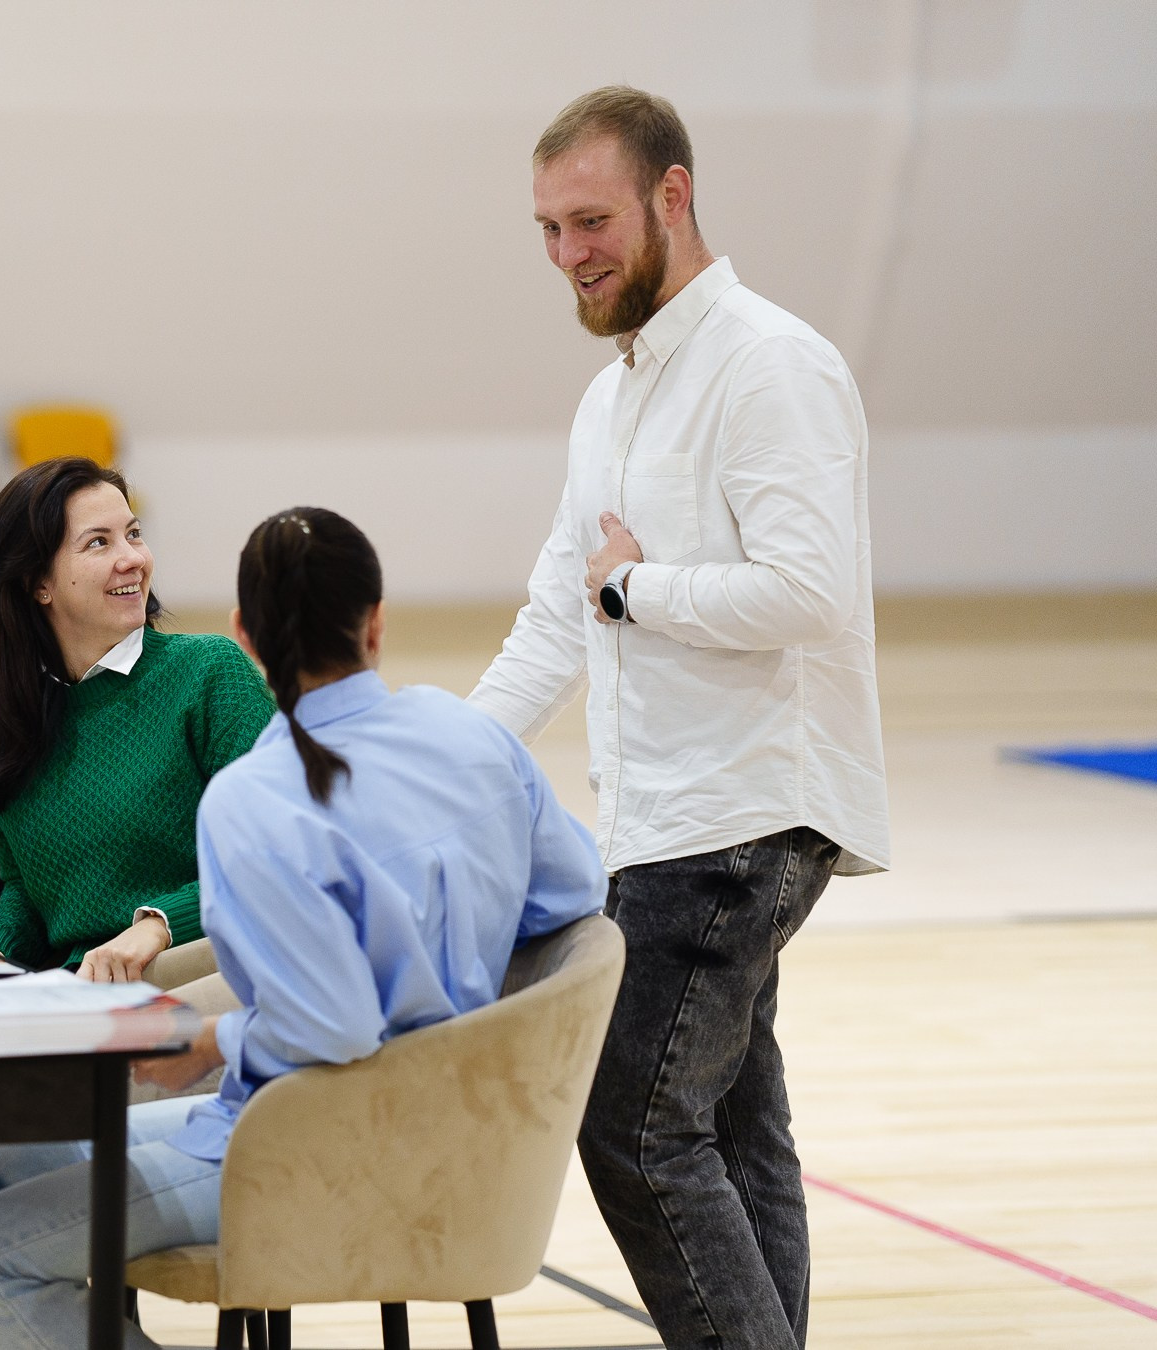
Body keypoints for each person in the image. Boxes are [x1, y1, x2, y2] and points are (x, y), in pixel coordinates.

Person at [0, 508, 609, 1349]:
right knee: (7, 1167)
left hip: (299, 1149)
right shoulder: (469, 734)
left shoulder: (256, 799)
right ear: (377, 621)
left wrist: (219, 1040)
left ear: (244, 636)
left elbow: (333, 1026)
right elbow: (575, 896)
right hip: (472, 1143)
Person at [468, 87, 890, 1350]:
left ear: (672, 195)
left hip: (740, 816)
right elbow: (558, 613)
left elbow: (807, 592)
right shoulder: (614, 399)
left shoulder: (771, 363)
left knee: (637, 1127)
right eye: (546, 229)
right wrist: (443, 759)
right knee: (733, 1127)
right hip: (667, 821)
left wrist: (635, 587)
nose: (569, 255)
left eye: (590, 219)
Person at [0, 455, 275, 979]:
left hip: (202, 973)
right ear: (36, 582)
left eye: (133, 534)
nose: (133, 559)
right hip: (71, 986)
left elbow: (271, 854)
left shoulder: (209, 673)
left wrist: (155, 926)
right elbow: (30, 887)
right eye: (99, 542)